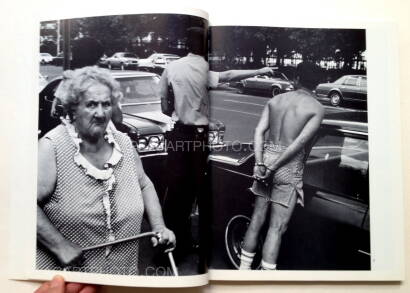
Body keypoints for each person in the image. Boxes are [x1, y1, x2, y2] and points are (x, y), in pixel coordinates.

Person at [37, 66, 175, 275]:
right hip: (68, 280)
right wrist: (59, 245)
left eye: (106, 104)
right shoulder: (52, 146)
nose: (101, 113)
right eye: (91, 105)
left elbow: (145, 184)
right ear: (73, 109)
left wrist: (159, 226)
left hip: (122, 274)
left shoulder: (124, 143)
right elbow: (23, 205)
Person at [159, 26, 274, 264]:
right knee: (201, 191)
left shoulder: (170, 68)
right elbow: (230, 75)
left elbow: (164, 107)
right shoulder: (205, 70)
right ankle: (201, 246)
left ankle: (171, 246)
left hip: (179, 136)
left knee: (176, 192)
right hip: (199, 137)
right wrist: (260, 69)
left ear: (186, 45)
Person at [239, 61, 324, 270]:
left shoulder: (276, 100)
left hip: (266, 159)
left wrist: (261, 163)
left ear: (296, 79)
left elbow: (259, 131)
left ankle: (243, 272)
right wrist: (275, 167)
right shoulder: (316, 108)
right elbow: (299, 144)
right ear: (317, 84)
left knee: (256, 219)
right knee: (276, 228)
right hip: (287, 166)